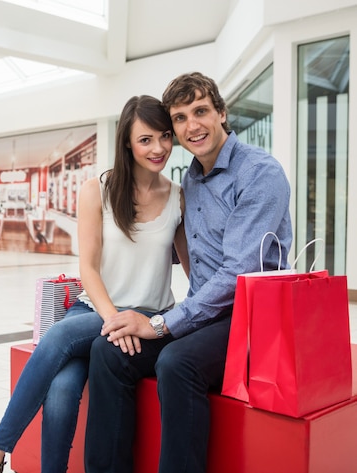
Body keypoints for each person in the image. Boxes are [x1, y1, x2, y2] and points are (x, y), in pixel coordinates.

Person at [0, 95, 188, 473]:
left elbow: (193, 267)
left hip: (148, 315)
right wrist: (113, 318)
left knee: (60, 358)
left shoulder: (178, 197)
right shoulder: (96, 189)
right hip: (96, 308)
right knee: (62, 372)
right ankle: (1, 455)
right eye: (146, 139)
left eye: (164, 136)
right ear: (127, 143)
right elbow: (89, 268)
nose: (159, 147)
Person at [84, 72, 293, 473]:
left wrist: (160, 324)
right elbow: (178, 252)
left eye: (200, 111)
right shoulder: (191, 181)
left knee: (176, 362)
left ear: (222, 113)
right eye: (179, 118)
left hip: (251, 318)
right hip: (205, 314)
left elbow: (237, 273)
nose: (191, 125)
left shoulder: (259, 173)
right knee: (108, 351)